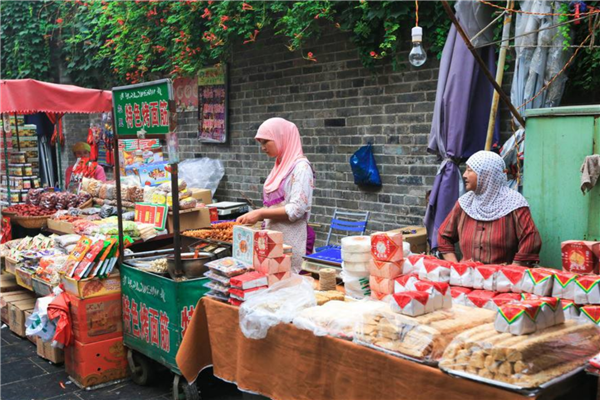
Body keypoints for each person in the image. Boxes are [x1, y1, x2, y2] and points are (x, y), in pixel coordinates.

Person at [236, 118, 315, 272]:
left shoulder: (301, 168)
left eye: (266, 142)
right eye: (261, 143)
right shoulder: (280, 166)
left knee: (287, 284)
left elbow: (296, 210)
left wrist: (259, 213)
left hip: (292, 241)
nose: (263, 148)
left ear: (281, 137)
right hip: (273, 240)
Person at [437, 151, 541, 266]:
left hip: (501, 279)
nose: (464, 175)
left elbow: (531, 240)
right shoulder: (465, 203)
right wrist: (456, 267)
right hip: (467, 277)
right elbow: (443, 236)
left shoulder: (514, 203)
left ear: (486, 174)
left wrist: (513, 269)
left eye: (470, 170)